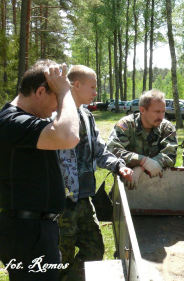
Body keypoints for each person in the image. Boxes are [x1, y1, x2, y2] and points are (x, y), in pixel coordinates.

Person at [0, 60, 80, 280]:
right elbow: (69, 137)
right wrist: (65, 93)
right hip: (27, 234)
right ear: (40, 91)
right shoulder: (13, 122)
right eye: (56, 100)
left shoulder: (23, 121)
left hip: (33, 231)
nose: (57, 109)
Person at [57, 65, 134, 281]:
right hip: (62, 203)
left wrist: (119, 165)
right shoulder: (55, 115)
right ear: (76, 85)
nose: (96, 93)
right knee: (61, 257)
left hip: (84, 199)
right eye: (92, 87)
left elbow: (100, 150)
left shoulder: (87, 116)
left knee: (94, 251)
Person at [106, 89, 178, 189]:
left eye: (163, 112)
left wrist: (140, 168)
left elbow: (170, 155)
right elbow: (113, 151)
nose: (161, 116)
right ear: (142, 110)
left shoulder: (166, 127)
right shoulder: (126, 125)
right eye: (157, 112)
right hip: (128, 183)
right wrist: (142, 160)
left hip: (157, 186)